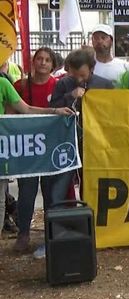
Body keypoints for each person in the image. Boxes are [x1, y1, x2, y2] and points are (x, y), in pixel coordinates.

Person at [7, 48, 74, 252]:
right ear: (33, 62)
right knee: (27, 191)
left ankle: (50, 233)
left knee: (50, 192)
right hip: (28, 149)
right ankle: (24, 233)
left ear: (53, 65)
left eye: (47, 60)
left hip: (51, 148)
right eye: (39, 59)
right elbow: (11, 114)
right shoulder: (20, 86)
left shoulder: (58, 86)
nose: (43, 63)